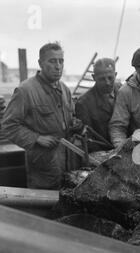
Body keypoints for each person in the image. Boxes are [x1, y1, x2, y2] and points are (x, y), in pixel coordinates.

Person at [1, 42, 82, 189]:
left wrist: (74, 123)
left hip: (67, 163)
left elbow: (68, 118)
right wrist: (36, 138)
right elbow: (8, 126)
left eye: (61, 61)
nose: (58, 66)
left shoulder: (64, 89)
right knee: (45, 208)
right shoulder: (25, 90)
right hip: (42, 168)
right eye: (52, 61)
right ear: (40, 63)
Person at [75, 58, 121, 152]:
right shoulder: (84, 103)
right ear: (93, 77)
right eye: (102, 79)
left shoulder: (123, 91)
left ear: (115, 75)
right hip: (103, 154)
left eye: (110, 78)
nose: (107, 82)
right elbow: (89, 140)